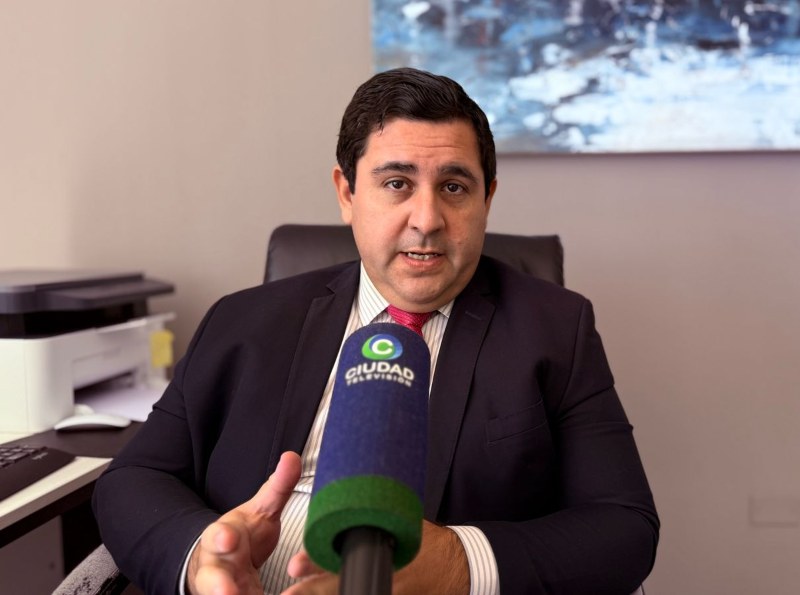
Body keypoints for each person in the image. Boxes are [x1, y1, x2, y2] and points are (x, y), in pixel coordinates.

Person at [93, 67, 659, 595]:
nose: (427, 220)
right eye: (396, 183)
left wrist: (457, 564)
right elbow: (135, 476)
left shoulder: (556, 328)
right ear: (347, 193)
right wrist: (202, 556)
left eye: (454, 187)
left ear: (487, 198)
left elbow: (623, 525)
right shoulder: (241, 320)